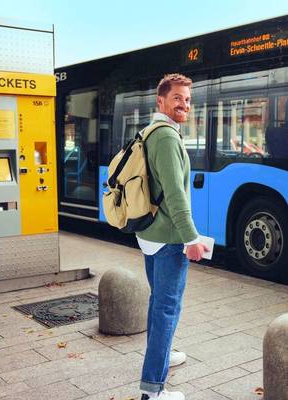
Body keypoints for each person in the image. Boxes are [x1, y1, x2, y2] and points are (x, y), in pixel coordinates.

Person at [136, 73, 208, 400]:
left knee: (158, 304)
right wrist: (191, 239)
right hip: (168, 238)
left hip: (151, 233)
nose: (184, 105)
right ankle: (153, 390)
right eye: (177, 98)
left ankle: (164, 353)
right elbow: (176, 196)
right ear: (161, 101)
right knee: (167, 308)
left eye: (188, 100)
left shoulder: (151, 131)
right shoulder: (166, 137)